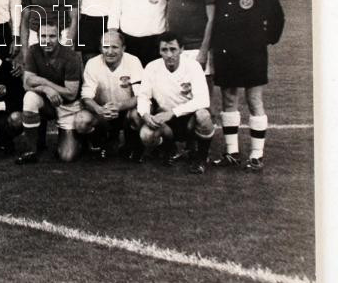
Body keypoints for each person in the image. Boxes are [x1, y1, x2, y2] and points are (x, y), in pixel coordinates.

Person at [210, 0, 284, 171]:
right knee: (228, 99)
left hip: (252, 55)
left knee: (254, 100)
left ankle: (256, 155)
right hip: (225, 54)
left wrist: (262, 41)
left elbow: (277, 20)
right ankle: (231, 152)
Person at [136, 32, 215, 174]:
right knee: (146, 135)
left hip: (189, 119)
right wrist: (145, 114)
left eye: (173, 49)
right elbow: (143, 96)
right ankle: (168, 148)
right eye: (164, 50)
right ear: (159, 51)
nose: (169, 54)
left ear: (182, 49)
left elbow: (203, 100)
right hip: (165, 120)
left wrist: (173, 113)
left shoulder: (193, 66)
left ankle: (201, 157)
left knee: (203, 115)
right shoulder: (151, 67)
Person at [17, 22, 85, 164]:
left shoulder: (71, 56)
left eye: (52, 36)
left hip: (68, 106)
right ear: (38, 37)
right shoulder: (33, 51)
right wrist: (46, 89)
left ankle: (77, 138)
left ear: (59, 37)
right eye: (43, 36)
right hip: (47, 102)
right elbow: (26, 84)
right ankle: (31, 150)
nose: (47, 40)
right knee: (30, 98)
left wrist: (44, 82)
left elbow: (71, 93)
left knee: (67, 156)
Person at [79, 31, 144, 161]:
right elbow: (86, 96)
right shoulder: (92, 63)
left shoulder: (133, 61)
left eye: (115, 47)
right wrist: (99, 109)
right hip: (103, 111)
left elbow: (140, 95)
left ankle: (132, 145)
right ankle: (100, 142)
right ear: (100, 48)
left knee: (137, 114)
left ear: (123, 48)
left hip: (126, 111)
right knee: (81, 120)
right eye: (105, 47)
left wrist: (120, 106)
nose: (110, 51)